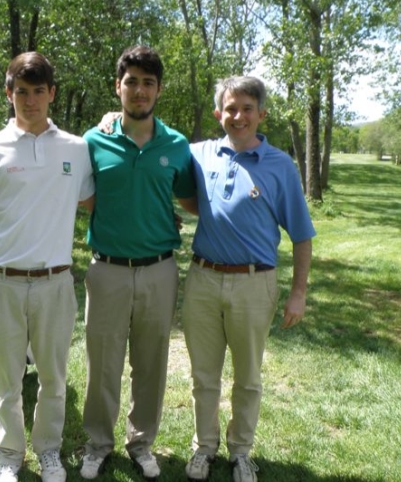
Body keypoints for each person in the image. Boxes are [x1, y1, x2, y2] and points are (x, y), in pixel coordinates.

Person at [181, 76, 315, 482]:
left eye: (247, 108)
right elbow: (157, 147)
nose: (238, 116)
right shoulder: (199, 153)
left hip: (256, 283)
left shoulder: (280, 165)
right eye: (231, 108)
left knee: (248, 376)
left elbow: (303, 234)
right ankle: (203, 448)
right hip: (203, 279)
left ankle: (241, 452)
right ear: (220, 112)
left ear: (261, 114)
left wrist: (298, 294)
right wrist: (113, 118)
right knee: (204, 374)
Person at [0, 52, 95, 482]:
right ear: (9, 94)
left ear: (52, 94)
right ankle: (9, 455)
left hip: (55, 283)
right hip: (2, 283)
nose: (30, 100)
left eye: (39, 91)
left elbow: (93, 200)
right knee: (6, 380)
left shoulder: (76, 149)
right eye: (21, 91)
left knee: (54, 380)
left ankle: (49, 451)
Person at [79, 45, 197, 480]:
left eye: (148, 82)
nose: (140, 90)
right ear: (118, 87)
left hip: (159, 269)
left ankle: (141, 442)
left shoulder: (177, 145)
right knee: (102, 361)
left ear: (159, 90)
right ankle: (98, 443)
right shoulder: (94, 140)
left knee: (151, 361)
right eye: (131, 81)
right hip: (106, 268)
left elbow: (192, 200)